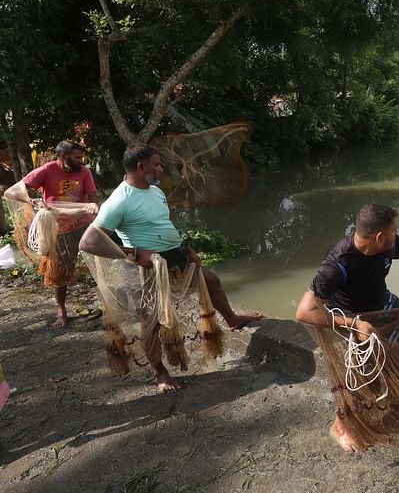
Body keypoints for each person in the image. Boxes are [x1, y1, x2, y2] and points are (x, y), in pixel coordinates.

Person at [78, 144, 262, 392]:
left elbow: (164, 224)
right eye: (156, 164)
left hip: (175, 256)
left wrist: (187, 249)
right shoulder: (119, 200)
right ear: (141, 167)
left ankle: (232, 320)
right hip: (146, 269)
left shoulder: (155, 191)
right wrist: (134, 252)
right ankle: (161, 373)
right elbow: (88, 242)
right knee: (151, 321)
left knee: (212, 281)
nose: (161, 168)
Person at [295, 204, 399, 450]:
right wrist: (354, 324)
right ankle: (340, 425)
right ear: (379, 236)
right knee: (363, 375)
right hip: (350, 315)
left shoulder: (388, 244)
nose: (397, 234)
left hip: (382, 304)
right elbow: (304, 312)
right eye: (394, 230)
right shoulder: (336, 266)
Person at [3, 140, 98, 327]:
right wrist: (32, 201)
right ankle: (61, 311)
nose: (81, 160)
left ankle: (105, 301)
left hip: (81, 225)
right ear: (64, 157)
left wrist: (93, 207)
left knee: (97, 264)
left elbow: (92, 198)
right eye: (77, 157)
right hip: (57, 229)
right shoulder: (46, 170)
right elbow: (13, 192)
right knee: (58, 272)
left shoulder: (84, 172)